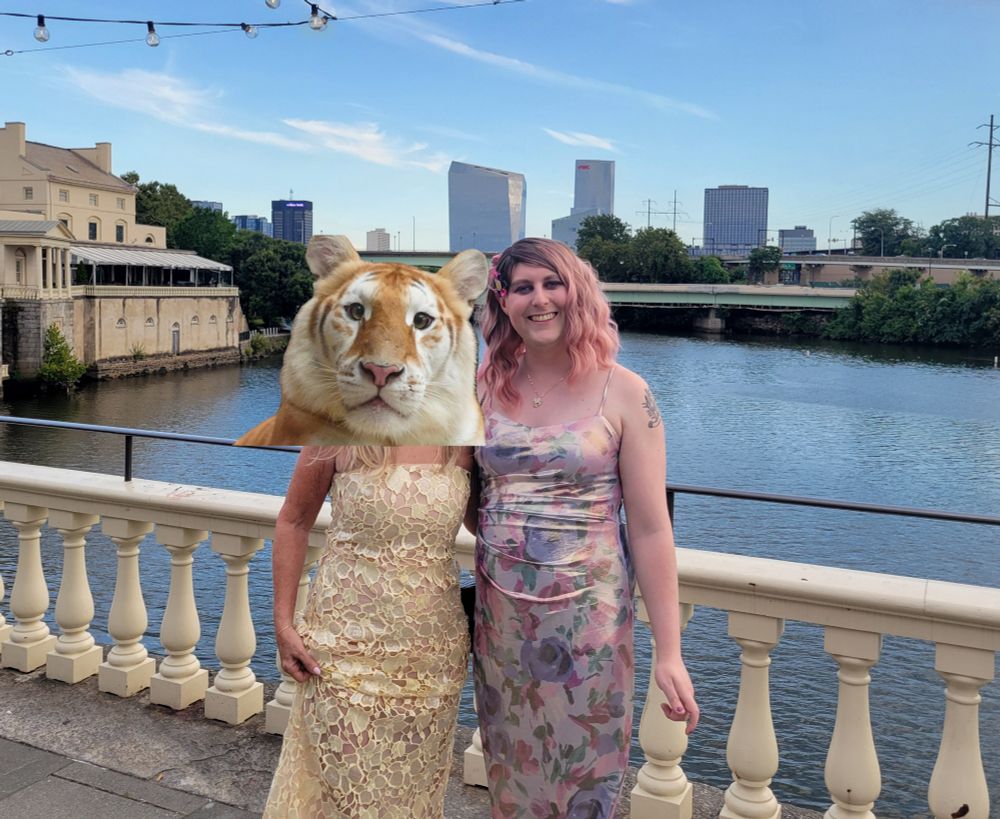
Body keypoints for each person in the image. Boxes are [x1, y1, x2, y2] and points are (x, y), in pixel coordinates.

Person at [470, 238, 699, 817]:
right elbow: (467, 499)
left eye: (553, 284)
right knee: (511, 777)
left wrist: (669, 653)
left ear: (578, 293)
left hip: (588, 622)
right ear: (503, 301)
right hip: (501, 622)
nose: (539, 300)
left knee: (583, 784)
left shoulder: (625, 391)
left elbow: (650, 529)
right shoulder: (481, 388)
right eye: (523, 287)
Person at [264, 445, 474, 819]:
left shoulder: (464, 435)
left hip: (432, 659)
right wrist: (283, 625)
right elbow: (293, 521)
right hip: (342, 649)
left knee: (410, 798)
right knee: (346, 798)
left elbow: (492, 523)